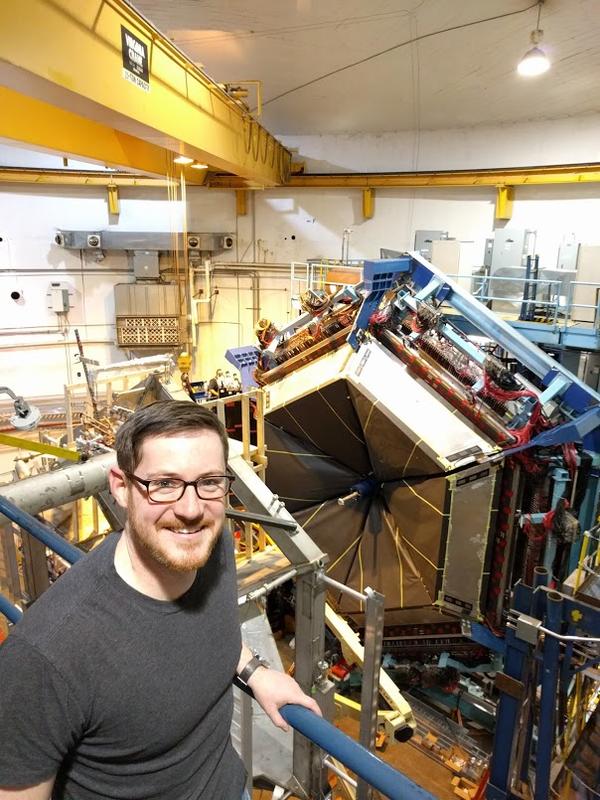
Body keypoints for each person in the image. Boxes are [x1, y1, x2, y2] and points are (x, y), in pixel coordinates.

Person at [0, 401, 320, 800]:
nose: (190, 510)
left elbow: (203, 626)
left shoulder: (212, 543)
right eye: (164, 484)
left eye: (209, 482)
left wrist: (254, 671)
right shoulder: (45, 659)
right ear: (121, 486)